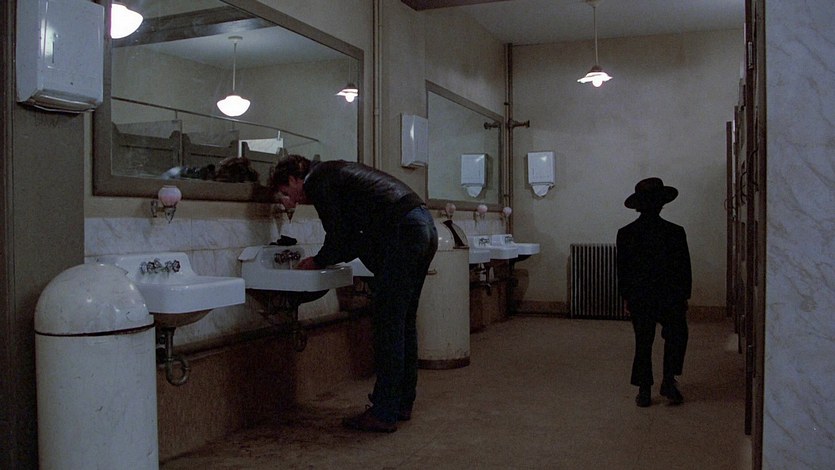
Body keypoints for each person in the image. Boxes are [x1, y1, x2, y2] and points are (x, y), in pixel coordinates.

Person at [270, 155, 438, 432]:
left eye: (287, 192)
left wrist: (317, 261)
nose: (293, 201)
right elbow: (350, 236)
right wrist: (325, 257)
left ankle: (384, 412)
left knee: (389, 324)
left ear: (293, 179)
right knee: (403, 322)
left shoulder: (318, 180)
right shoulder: (335, 173)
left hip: (404, 230)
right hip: (423, 226)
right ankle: (400, 402)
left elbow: (340, 235)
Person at [616, 177, 692, 407]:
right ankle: (668, 381)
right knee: (676, 337)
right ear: (662, 204)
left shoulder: (626, 233)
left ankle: (644, 389)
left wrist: (627, 297)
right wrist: (684, 297)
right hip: (670, 296)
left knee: (643, 341)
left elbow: (623, 270)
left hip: (641, 296)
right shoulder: (675, 232)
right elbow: (684, 269)